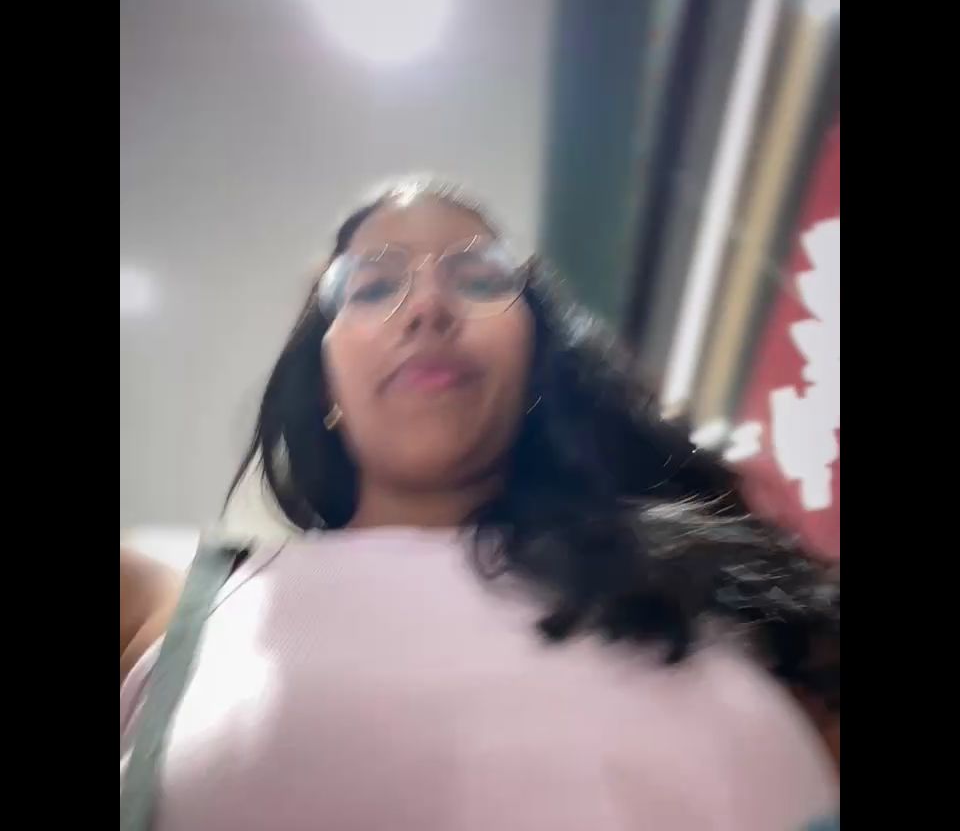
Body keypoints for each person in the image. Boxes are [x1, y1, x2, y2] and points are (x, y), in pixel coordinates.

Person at [121, 175, 840, 830]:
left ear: (535, 365)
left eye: (477, 279)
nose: (427, 307)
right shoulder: (175, 602)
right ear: (324, 389)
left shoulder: (717, 593)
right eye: (373, 288)